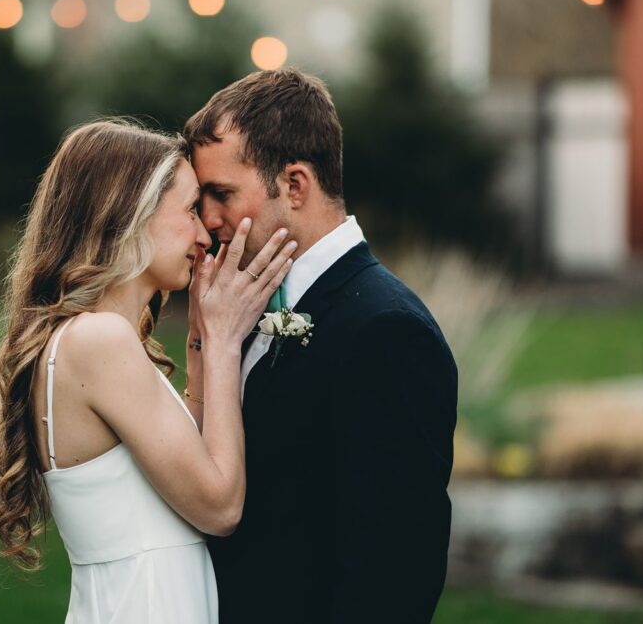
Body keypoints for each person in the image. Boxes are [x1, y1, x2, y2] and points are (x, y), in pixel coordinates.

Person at [0, 119, 294, 623]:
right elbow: (219, 506)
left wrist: (197, 346)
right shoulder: (97, 340)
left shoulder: (92, 338)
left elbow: (180, 470)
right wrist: (224, 346)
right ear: (129, 213)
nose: (202, 233)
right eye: (191, 209)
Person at [183, 68, 459, 623]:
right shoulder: (246, 303)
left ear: (294, 185)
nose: (208, 219)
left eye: (221, 194)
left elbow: (394, 571)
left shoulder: (386, 330)